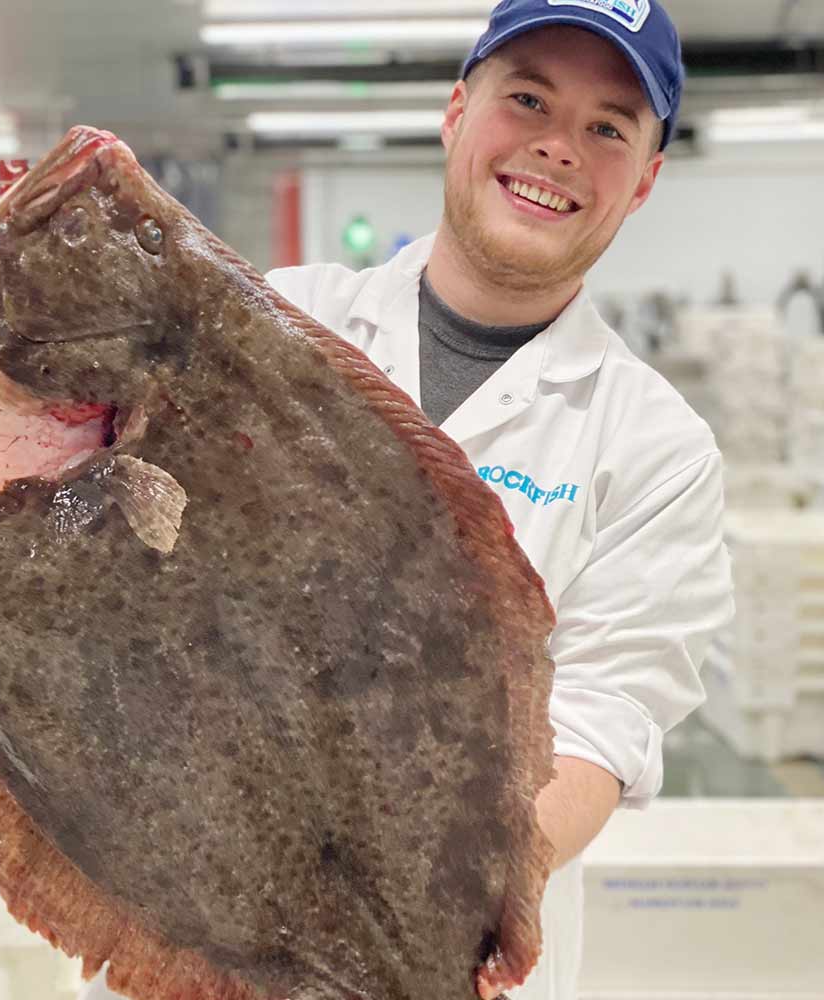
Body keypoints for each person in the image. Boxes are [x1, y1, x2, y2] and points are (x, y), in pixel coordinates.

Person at [264, 1, 735, 997]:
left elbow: (602, 720)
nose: (560, 147)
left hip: (438, 961)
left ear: (644, 178)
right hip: (186, 923)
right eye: (527, 98)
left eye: (608, 126)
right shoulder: (277, 325)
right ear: (455, 111)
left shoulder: (655, 449)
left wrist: (456, 895)